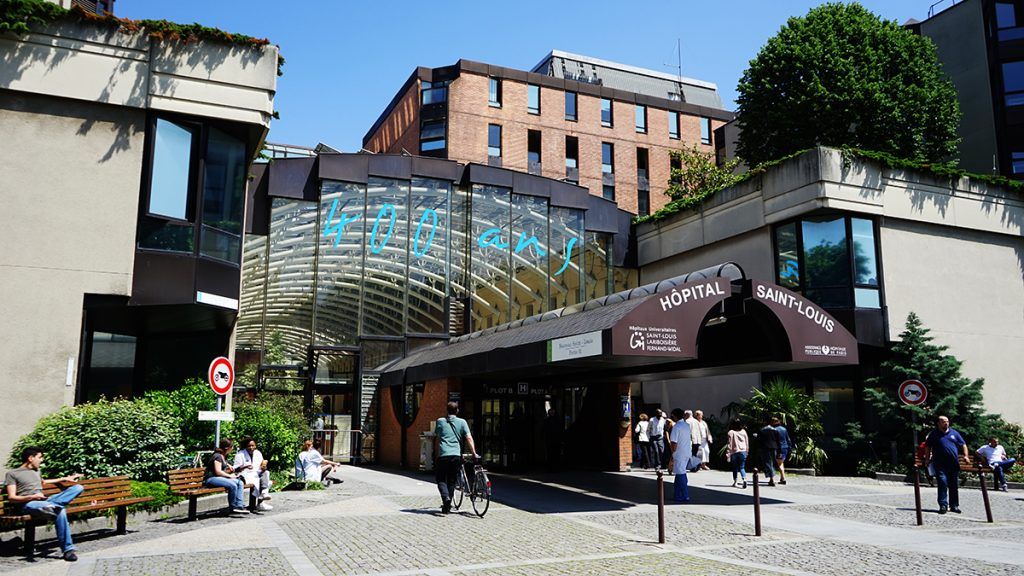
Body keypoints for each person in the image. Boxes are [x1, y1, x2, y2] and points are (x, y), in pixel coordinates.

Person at [4, 447, 85, 562]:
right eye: (40, 457)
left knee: (78, 488)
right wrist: (32, 497)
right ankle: (68, 550)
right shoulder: (12, 474)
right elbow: (12, 498)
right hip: (29, 504)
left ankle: (52, 506)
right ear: (30, 458)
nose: (41, 460)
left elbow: (44, 482)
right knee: (60, 511)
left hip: (45, 501)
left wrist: (65, 478)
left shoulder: (37, 471)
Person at [434, 401, 478, 514]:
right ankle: (447, 505)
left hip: (443, 455)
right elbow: (469, 438)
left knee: (441, 479)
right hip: (456, 456)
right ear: (457, 410)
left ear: (447, 410)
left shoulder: (440, 421)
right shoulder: (462, 422)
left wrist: (435, 453)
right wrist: (473, 453)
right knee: (452, 480)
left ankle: (446, 499)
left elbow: (437, 436)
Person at [923, 415, 969, 514]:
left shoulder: (954, 433)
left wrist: (966, 456)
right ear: (938, 423)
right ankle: (943, 505)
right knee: (943, 483)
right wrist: (927, 459)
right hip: (939, 463)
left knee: (953, 485)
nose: (946, 423)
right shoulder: (934, 434)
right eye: (943, 421)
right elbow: (928, 446)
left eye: (947, 421)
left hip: (953, 463)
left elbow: (963, 444)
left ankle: (954, 505)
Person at [204, 438, 248, 514]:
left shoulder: (223, 456)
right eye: (232, 447)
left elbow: (222, 463)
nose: (232, 448)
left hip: (218, 478)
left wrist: (228, 464)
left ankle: (239, 505)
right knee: (233, 485)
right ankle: (233, 506)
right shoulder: (217, 456)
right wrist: (230, 476)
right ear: (227, 448)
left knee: (239, 483)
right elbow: (218, 472)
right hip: (211, 479)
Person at [234, 438, 273, 510]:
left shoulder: (258, 453)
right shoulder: (240, 454)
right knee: (261, 481)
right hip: (245, 475)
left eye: (253, 445)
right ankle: (260, 502)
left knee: (266, 473)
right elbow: (236, 469)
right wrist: (245, 467)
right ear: (246, 446)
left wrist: (263, 468)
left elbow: (261, 465)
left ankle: (264, 494)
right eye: (249, 446)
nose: (251, 448)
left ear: (255, 446)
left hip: (257, 473)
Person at [667, 408, 692, 502]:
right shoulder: (687, 425)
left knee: (681, 473)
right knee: (679, 473)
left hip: (679, 452)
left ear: (674, 415)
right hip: (686, 451)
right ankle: (677, 494)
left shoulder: (677, 427)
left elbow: (673, 442)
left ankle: (685, 495)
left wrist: (673, 454)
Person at [755, 419, 780, 486]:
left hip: (765, 448)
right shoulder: (775, 430)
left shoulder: (762, 430)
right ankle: (771, 478)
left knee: (767, 462)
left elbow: (759, 440)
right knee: (772, 462)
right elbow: (778, 440)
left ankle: (771, 478)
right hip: (774, 448)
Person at [727, 419, 749, 488]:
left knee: (735, 467)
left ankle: (735, 481)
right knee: (742, 467)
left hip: (734, 451)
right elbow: (747, 442)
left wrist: (728, 453)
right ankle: (744, 479)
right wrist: (747, 451)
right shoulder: (743, 432)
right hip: (743, 451)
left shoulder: (731, 432)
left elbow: (729, 444)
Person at [771, 416, 791, 485]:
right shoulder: (784, 429)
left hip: (778, 448)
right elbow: (788, 439)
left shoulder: (774, 430)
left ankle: (781, 478)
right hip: (785, 448)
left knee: (777, 463)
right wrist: (789, 447)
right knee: (781, 463)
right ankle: (782, 478)